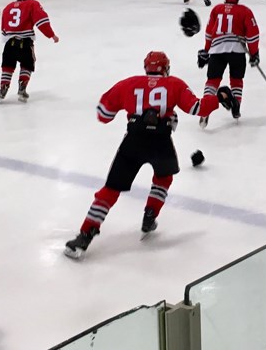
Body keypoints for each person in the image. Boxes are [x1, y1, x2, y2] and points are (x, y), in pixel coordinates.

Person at [63, 52, 232, 258]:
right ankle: (150, 216)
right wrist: (219, 98)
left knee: (111, 189)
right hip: (160, 141)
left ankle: (84, 235)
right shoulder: (174, 83)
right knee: (163, 178)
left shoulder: (128, 83)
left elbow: (103, 115)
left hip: (133, 140)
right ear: (166, 68)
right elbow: (197, 107)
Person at [197, 0, 260, 128]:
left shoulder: (216, 9)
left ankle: (205, 108)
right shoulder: (245, 11)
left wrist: (206, 50)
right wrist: (254, 53)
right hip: (237, 51)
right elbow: (253, 35)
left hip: (217, 50)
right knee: (236, 80)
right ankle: (236, 103)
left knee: (212, 81)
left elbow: (208, 33)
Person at [0, 0, 59, 103]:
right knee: (27, 64)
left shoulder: (8, 7)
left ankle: (3, 88)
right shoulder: (33, 4)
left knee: (7, 66)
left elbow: (3, 27)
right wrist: (51, 35)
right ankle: (22, 87)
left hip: (9, 43)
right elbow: (42, 22)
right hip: (25, 43)